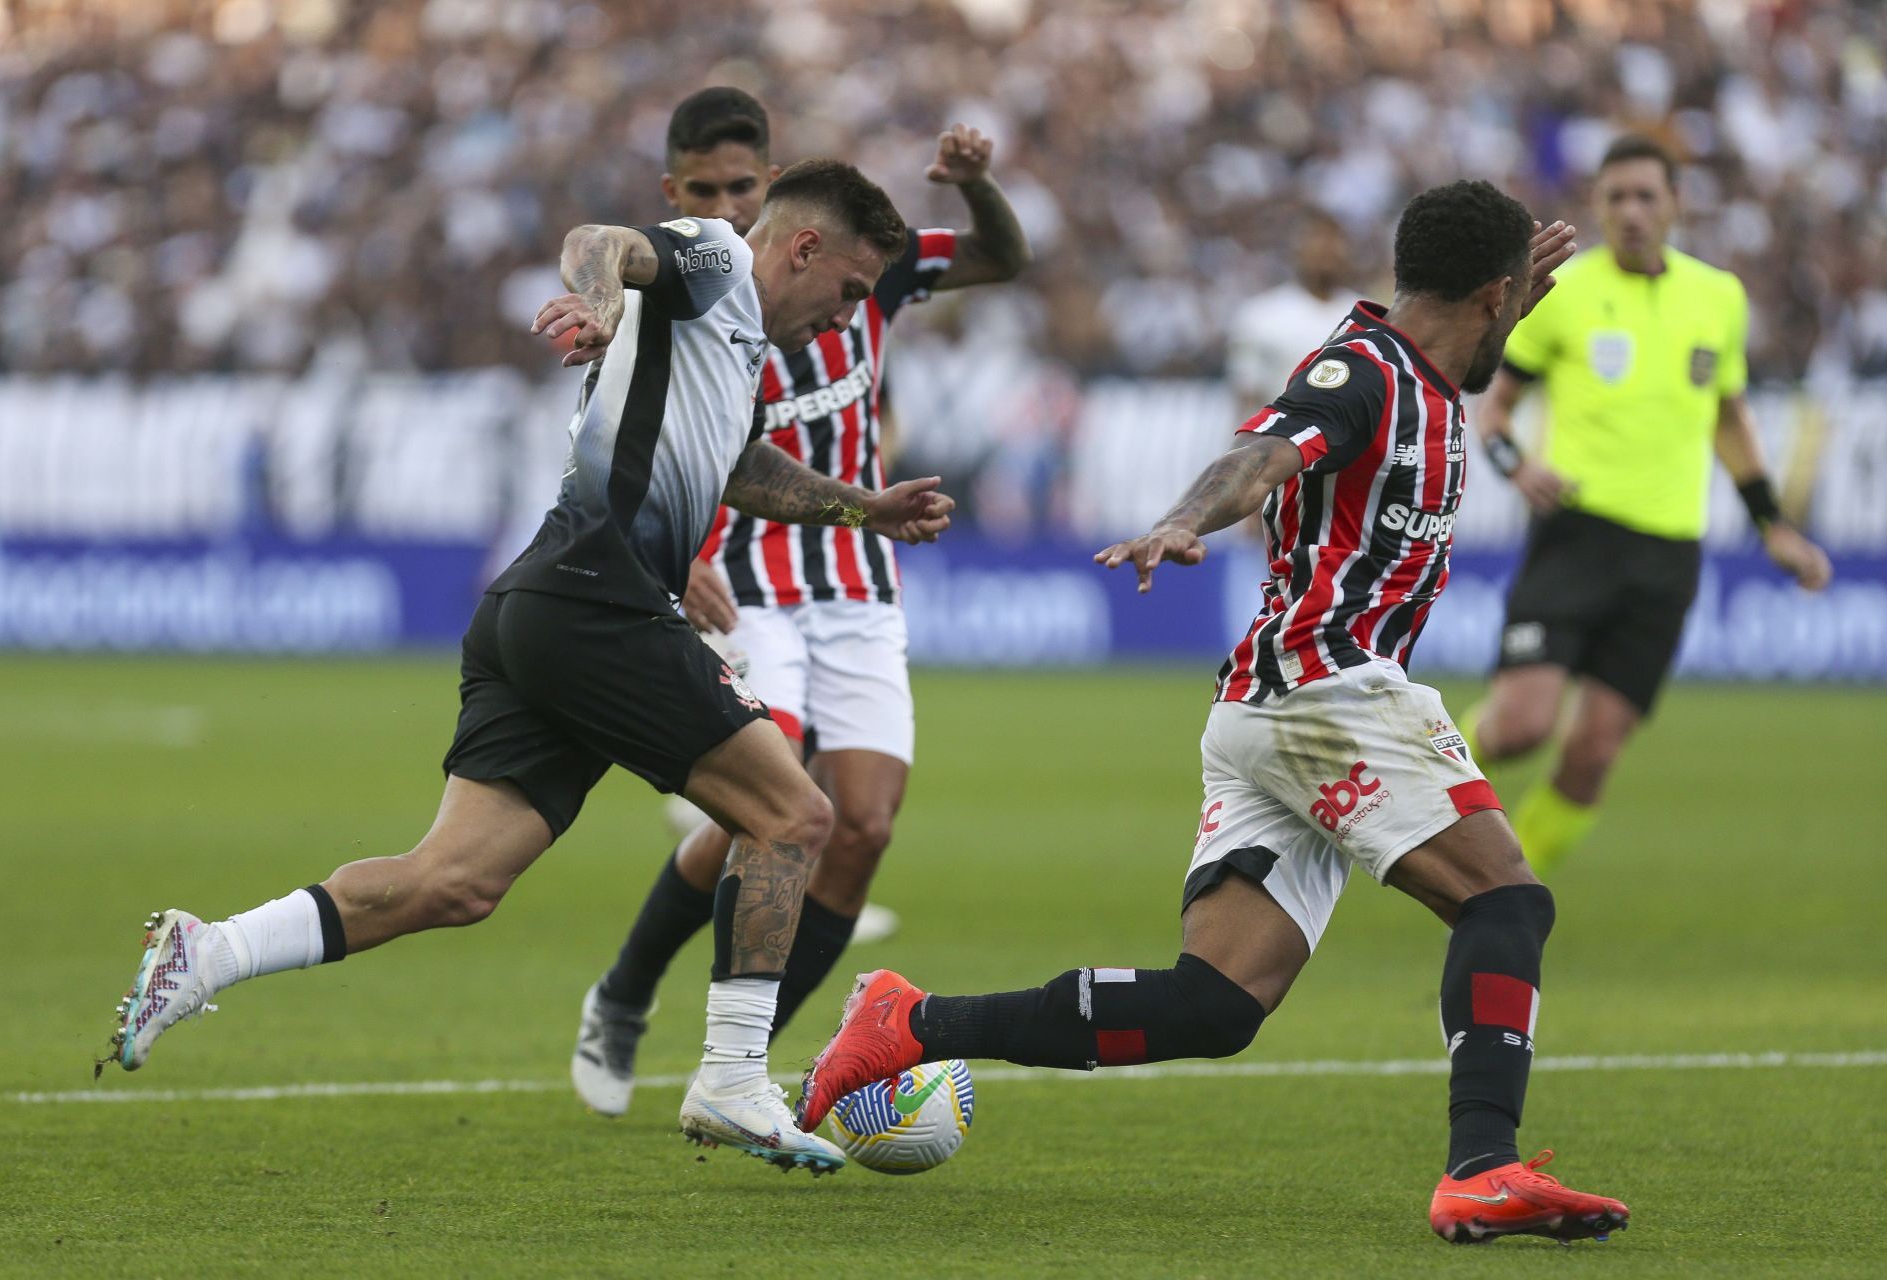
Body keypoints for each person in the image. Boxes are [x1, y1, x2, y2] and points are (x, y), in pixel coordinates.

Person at [796, 182, 1633, 1245]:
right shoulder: (1360, 372)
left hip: (1263, 705)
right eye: (1512, 306)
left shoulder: (1424, 367)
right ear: (1489, 293)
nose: (1516, 325)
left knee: (1216, 1002)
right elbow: (1268, 449)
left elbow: (1452, 356)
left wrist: (1511, 306)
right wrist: (1184, 516)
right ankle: (1482, 1164)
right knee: (1505, 900)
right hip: (1328, 687)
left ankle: (910, 1022)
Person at [104, 159, 954, 1176]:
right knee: (796, 813)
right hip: (596, 594)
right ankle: (732, 1075)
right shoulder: (721, 258)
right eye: (850, 292)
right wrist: (600, 305)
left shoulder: (736, 355)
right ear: (804, 247)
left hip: (540, 605)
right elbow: (602, 243)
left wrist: (867, 507)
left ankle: (208, 953)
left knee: (453, 880)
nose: (844, 318)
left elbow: (739, 469)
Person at [566, 88, 1029, 1119]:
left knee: (861, 824)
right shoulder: (682, 291)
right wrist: (662, 548)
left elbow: (1004, 257)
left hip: (859, 585)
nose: (727, 206)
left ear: (775, 190)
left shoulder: (862, 264)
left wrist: (977, 184)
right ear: (673, 192)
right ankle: (626, 991)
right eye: (706, 190)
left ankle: (744, 1063)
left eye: (743, 186)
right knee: (767, 809)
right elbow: (610, 434)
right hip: (749, 583)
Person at [1468, 135, 1832, 876]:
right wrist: (1516, 466)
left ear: (1675, 204)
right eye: (1615, 198)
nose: (1631, 212)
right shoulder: (1566, 294)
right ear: (1597, 207)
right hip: (1576, 534)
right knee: (1519, 729)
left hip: (1667, 551)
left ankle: (1508, 893)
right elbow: (1495, 410)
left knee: (1594, 751)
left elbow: (1728, 417)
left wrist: (1773, 525)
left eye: (1646, 196)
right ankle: (1407, 776)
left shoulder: (1717, 297)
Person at [1227, 207, 1360, 417]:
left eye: (1334, 240)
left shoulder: (1368, 315)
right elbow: (1247, 397)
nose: (1326, 249)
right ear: (1295, 249)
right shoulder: (1262, 315)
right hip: (1283, 442)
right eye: (1316, 238)